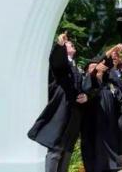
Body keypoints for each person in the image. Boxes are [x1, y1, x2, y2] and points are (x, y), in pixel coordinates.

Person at [28, 32, 89, 172]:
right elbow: (56, 61)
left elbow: (84, 87)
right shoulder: (62, 63)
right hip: (61, 111)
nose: (72, 44)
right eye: (69, 44)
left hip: (74, 114)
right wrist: (60, 45)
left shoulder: (75, 65)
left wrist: (86, 96)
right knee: (56, 149)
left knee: (67, 150)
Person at [80, 43, 122, 172]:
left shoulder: (109, 85)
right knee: (93, 156)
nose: (96, 68)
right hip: (92, 127)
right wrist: (111, 50)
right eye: (92, 67)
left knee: (109, 158)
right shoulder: (89, 83)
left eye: (97, 66)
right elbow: (89, 89)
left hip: (108, 126)